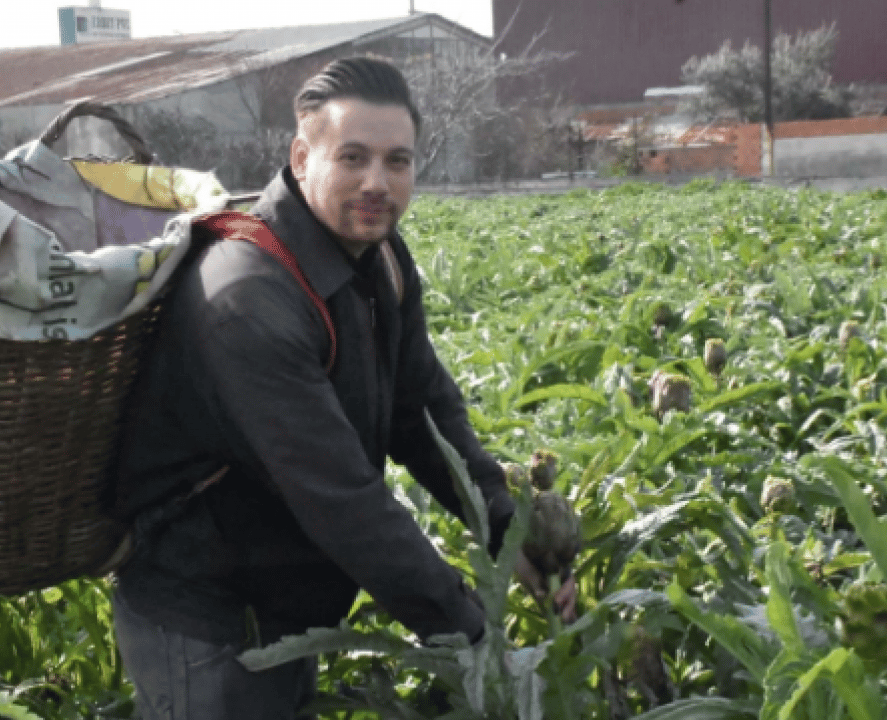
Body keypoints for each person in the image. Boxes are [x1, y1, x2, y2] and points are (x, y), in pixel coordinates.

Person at [109, 56, 576, 720]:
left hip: (287, 598)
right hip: (205, 612)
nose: (377, 183)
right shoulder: (246, 298)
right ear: (302, 158)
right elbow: (343, 500)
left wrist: (509, 533)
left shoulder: (381, 256)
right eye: (352, 157)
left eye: (398, 161)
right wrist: (473, 633)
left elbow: (425, 415)